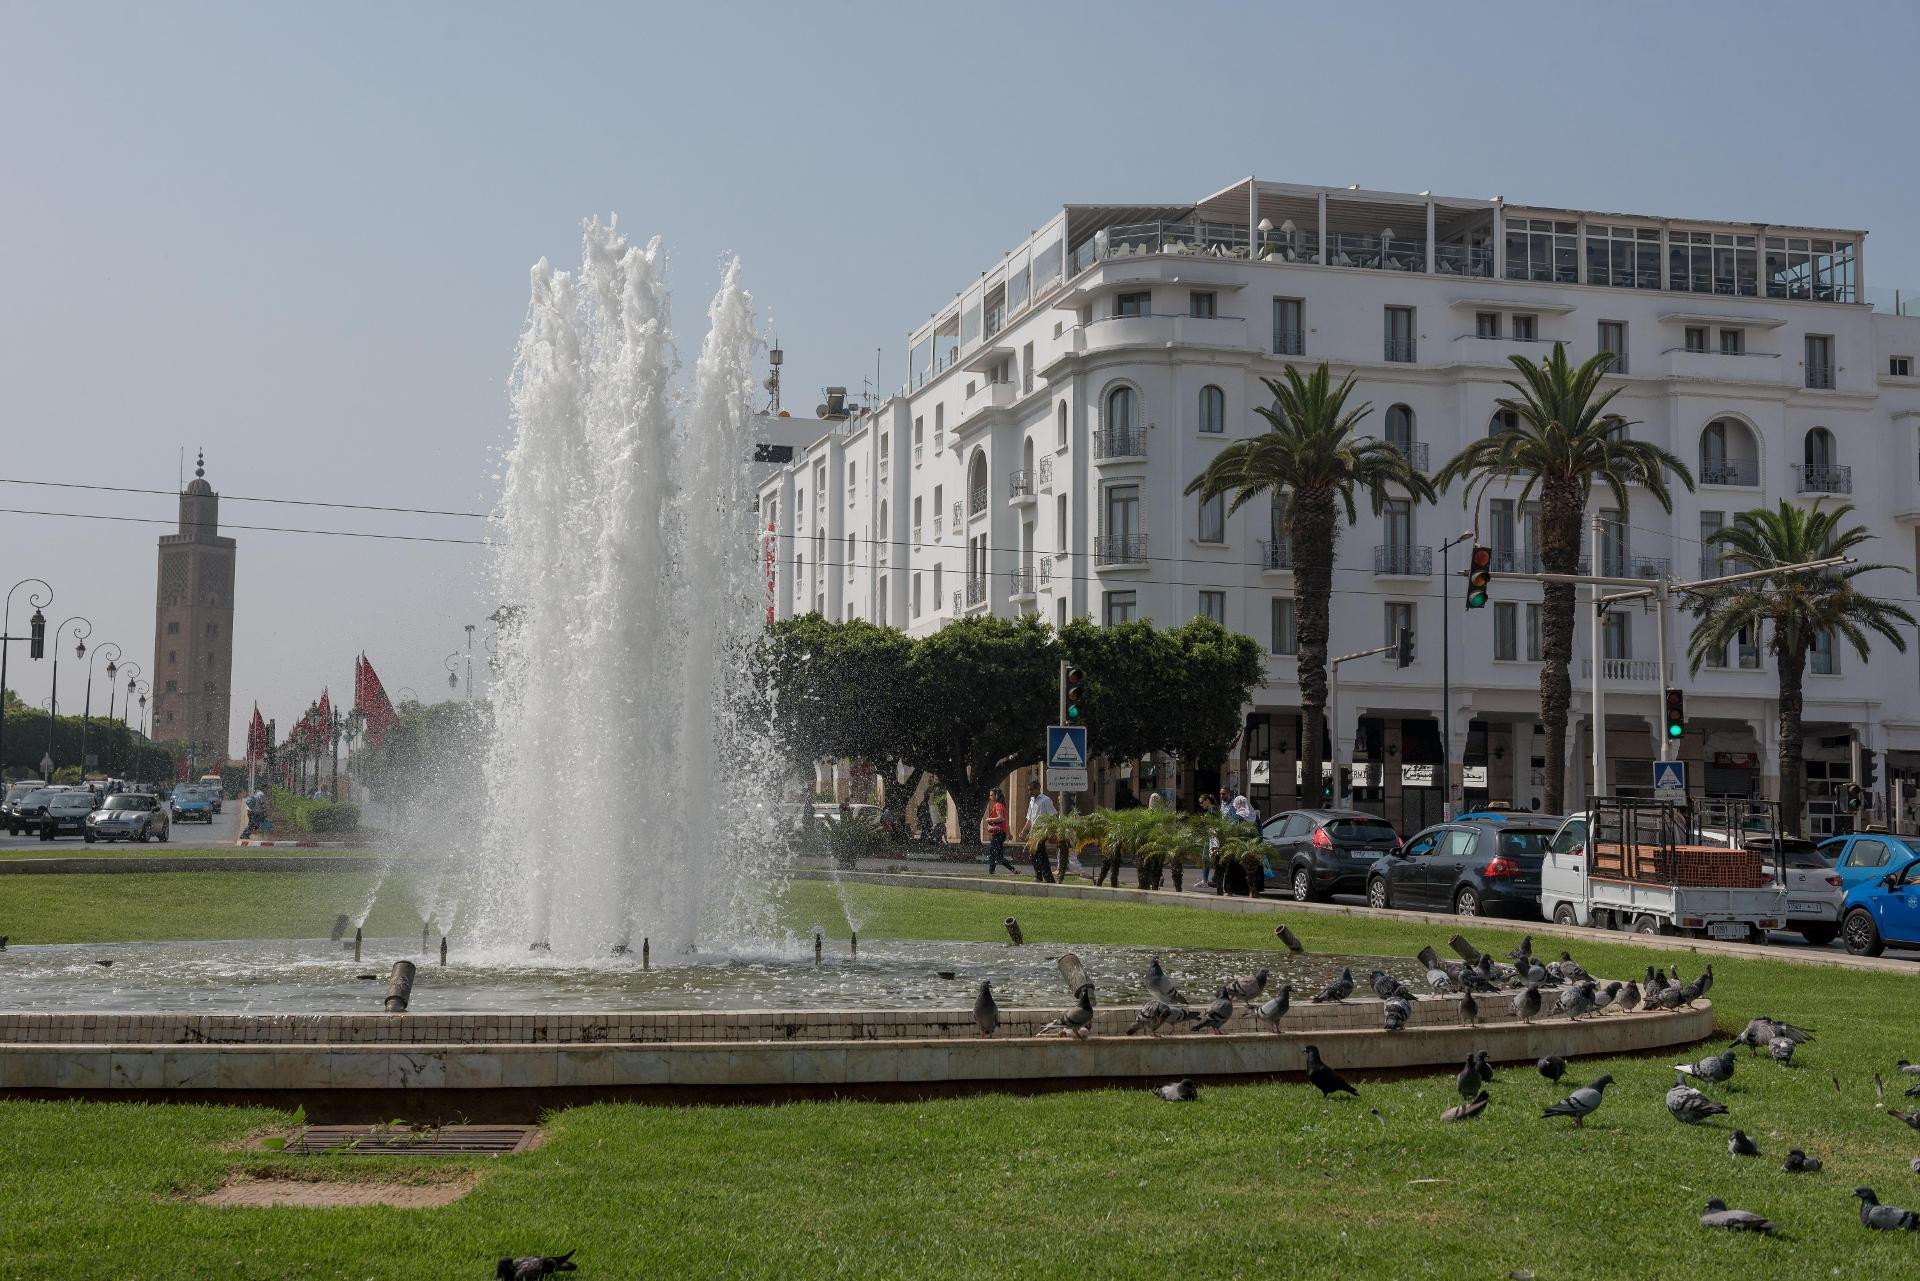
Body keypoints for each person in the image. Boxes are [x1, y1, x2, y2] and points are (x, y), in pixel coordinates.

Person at [983, 789, 1016, 874]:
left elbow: (1000, 818)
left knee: (996, 855)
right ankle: (992, 872)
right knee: (995, 855)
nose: (990, 797)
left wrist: (989, 819)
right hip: (1002, 833)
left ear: (996, 796)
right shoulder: (1002, 806)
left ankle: (1011, 870)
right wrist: (1009, 834)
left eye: (991, 795)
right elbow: (1006, 822)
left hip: (998, 833)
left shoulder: (998, 805)